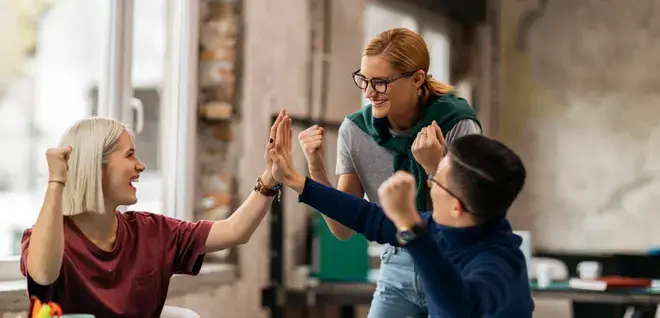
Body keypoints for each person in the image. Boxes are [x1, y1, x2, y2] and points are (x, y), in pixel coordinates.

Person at [20, 109, 289, 317]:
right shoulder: (49, 237)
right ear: (96, 166)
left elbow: (234, 231)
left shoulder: (152, 231)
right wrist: (57, 182)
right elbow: (43, 274)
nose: (141, 165)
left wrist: (269, 178)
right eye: (129, 155)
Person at [297, 27, 482, 317]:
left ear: (417, 78)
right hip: (396, 265)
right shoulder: (356, 131)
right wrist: (315, 166)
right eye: (364, 80)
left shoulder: (458, 124)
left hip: (455, 263)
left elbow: (471, 216)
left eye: (381, 83)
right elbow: (342, 229)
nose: (370, 93)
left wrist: (436, 166)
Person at [271, 117, 534, 317]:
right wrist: (295, 179)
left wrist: (411, 225)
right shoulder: (450, 227)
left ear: (457, 207)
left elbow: (460, 308)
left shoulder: (498, 265)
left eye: (435, 180)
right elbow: (367, 216)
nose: (429, 184)